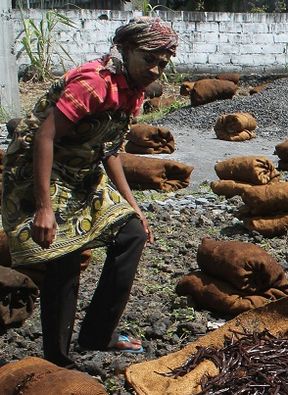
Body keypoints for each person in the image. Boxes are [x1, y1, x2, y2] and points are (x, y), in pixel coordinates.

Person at [1, 17, 177, 367]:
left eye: (163, 63)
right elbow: (44, 137)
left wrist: (133, 206)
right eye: (150, 59)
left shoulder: (133, 89)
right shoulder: (93, 84)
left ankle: (98, 333)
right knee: (65, 252)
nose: (156, 70)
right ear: (126, 50)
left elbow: (109, 149)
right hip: (40, 169)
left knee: (132, 234)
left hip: (82, 172)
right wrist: (44, 208)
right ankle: (58, 358)